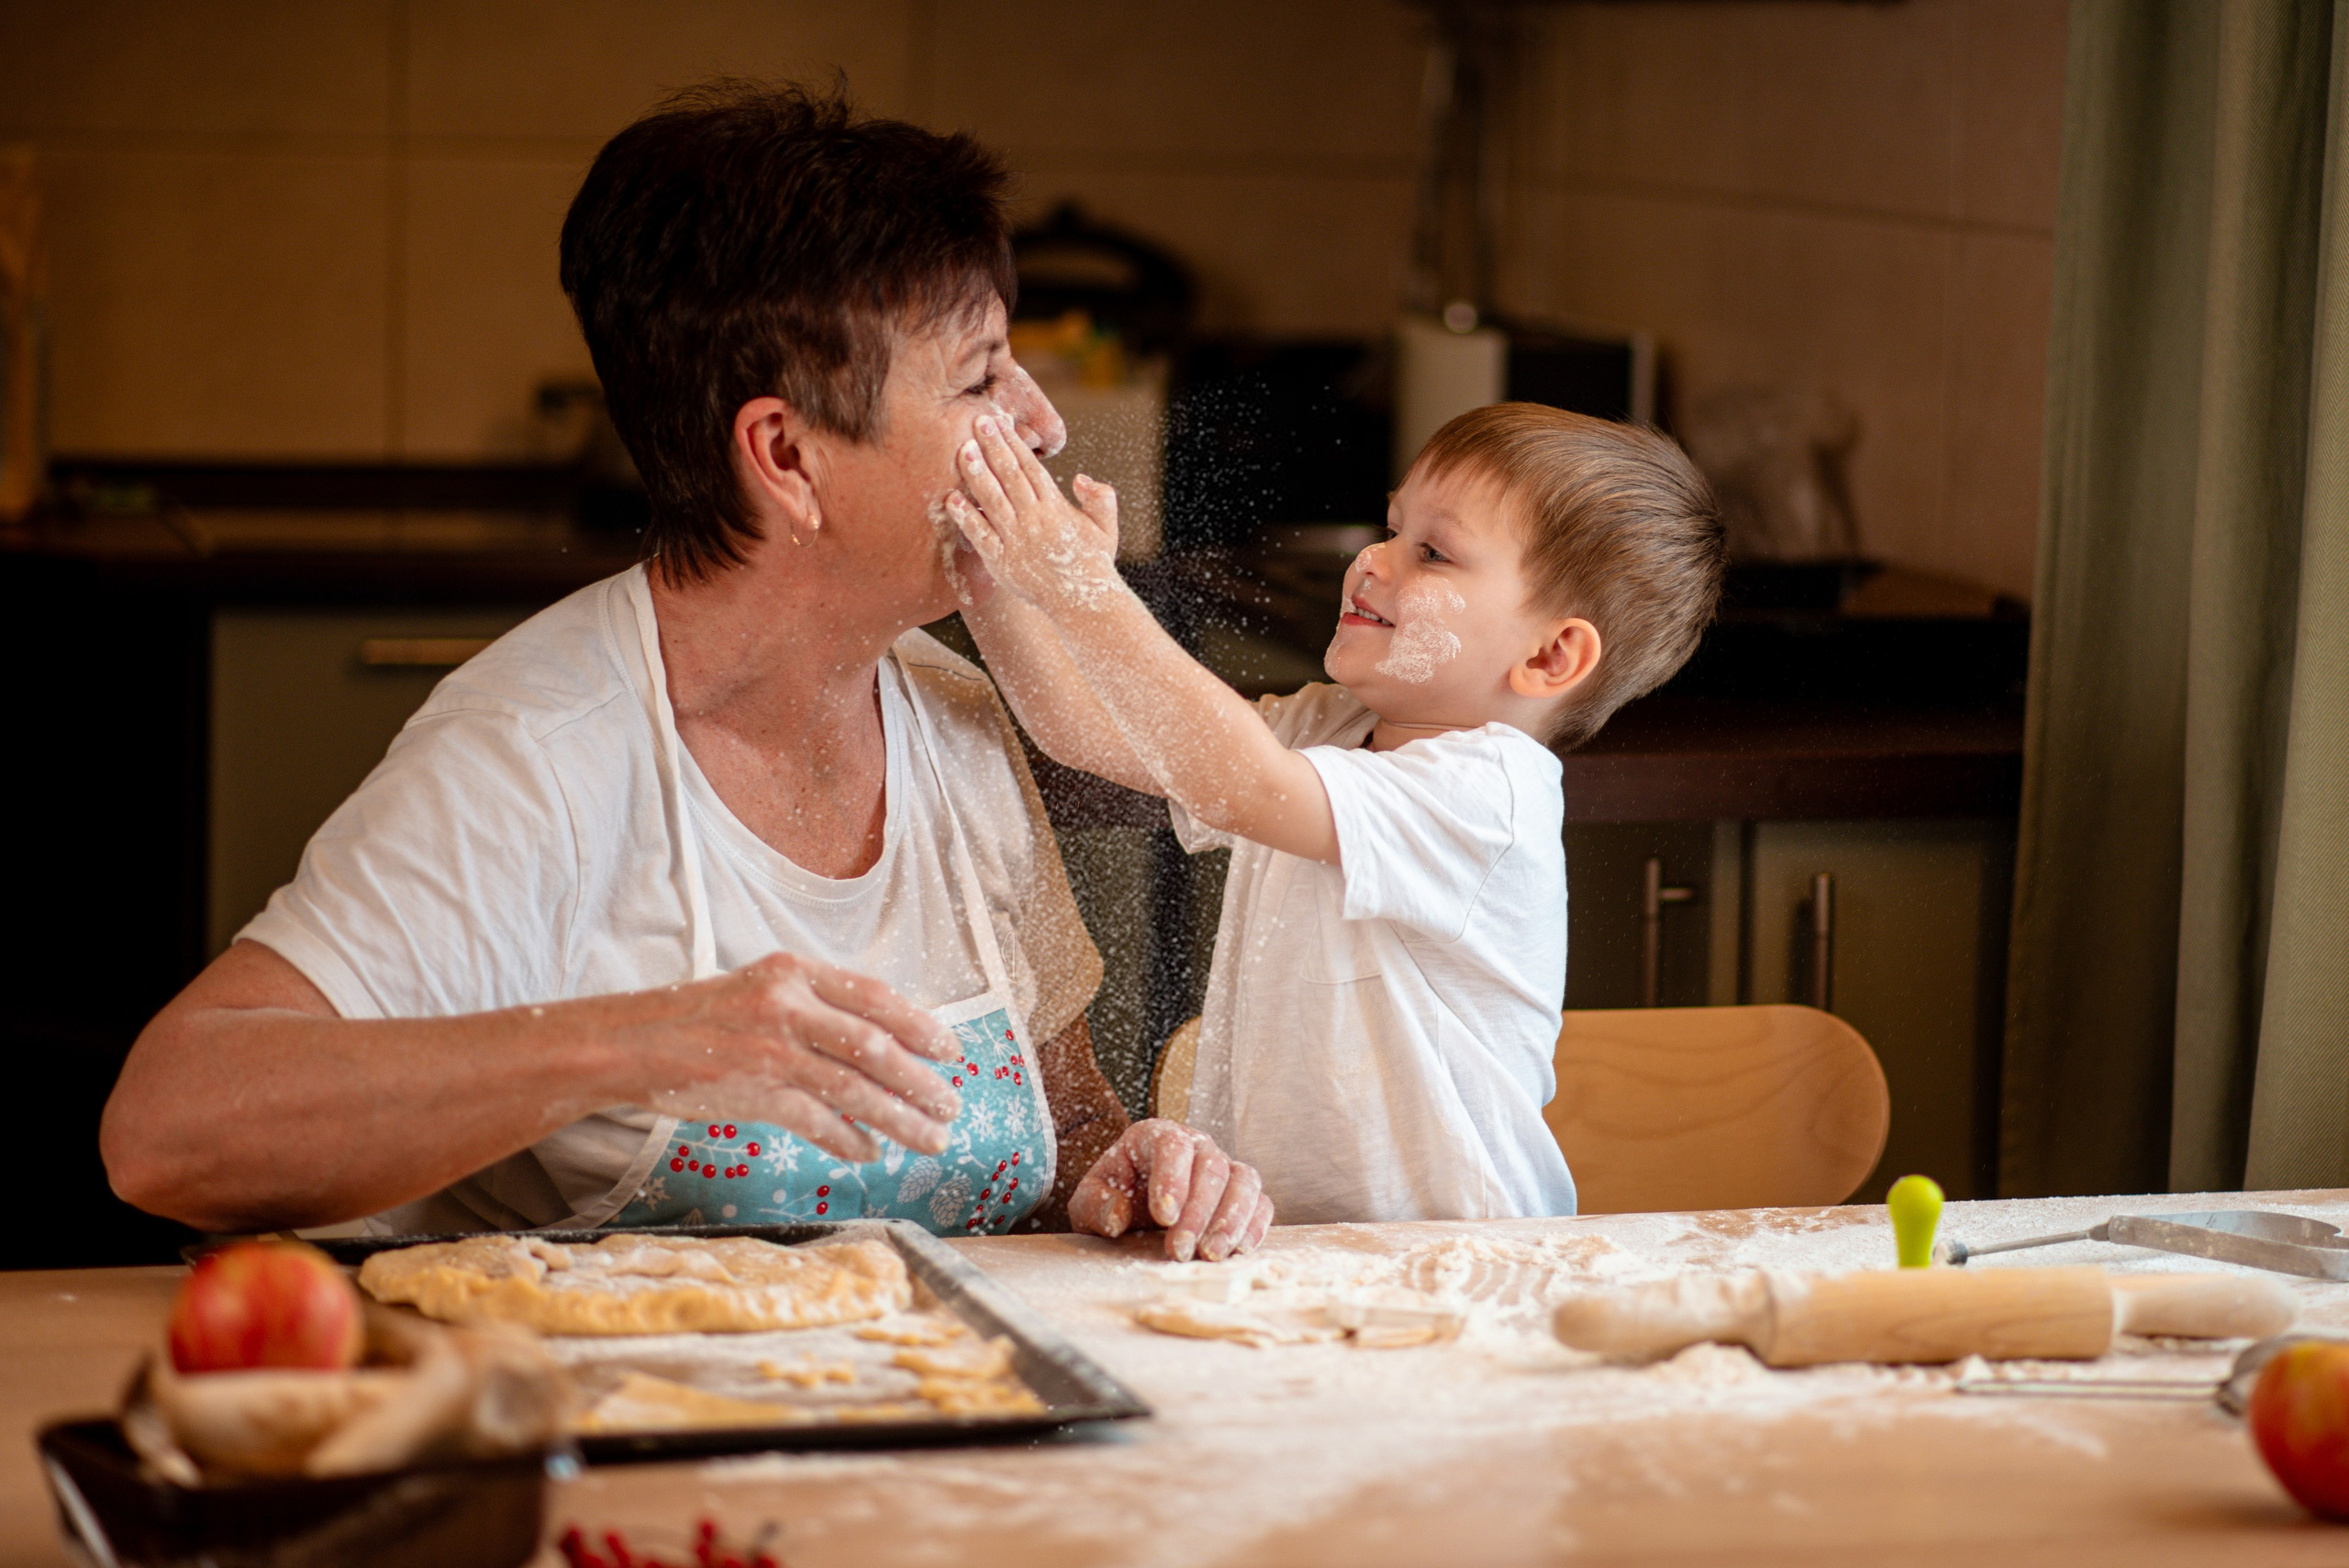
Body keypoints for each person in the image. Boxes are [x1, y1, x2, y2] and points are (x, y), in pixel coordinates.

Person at [99, 83, 1271, 1264]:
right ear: (786, 456)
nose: (1045, 423)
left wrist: (1129, 1169)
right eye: (979, 378)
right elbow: (164, 1130)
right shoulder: (541, 755)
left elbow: (1062, 1124)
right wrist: (640, 1042)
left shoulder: (955, 711)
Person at [948, 401, 1724, 1223]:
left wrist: (1086, 594)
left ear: (1548, 655)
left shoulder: (1490, 795)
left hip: (1462, 1268)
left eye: (1433, 552)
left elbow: (1243, 783)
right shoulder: (1331, 728)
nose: (1373, 561)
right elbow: (1085, 728)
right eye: (1392, 529)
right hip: (1298, 1257)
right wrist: (987, 574)